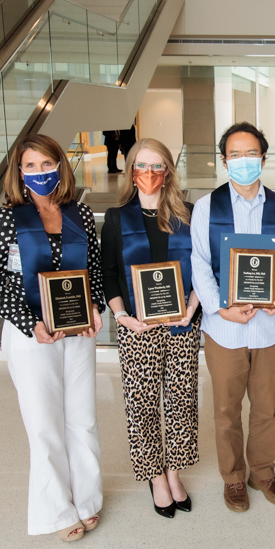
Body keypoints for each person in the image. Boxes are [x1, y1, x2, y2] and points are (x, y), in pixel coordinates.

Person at [0, 134, 105, 541]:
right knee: (44, 423)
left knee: (82, 419)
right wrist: (30, 322)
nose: (40, 173)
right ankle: (56, 511)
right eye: (30, 166)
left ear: (61, 167)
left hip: (77, 332)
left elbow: (94, 268)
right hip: (31, 336)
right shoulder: (3, 220)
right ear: (18, 172)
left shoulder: (79, 214)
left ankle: (86, 499)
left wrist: (96, 306)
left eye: (47, 164)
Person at [191, 123, 275, 512]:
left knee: (267, 407)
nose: (243, 161)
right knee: (226, 410)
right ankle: (234, 477)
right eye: (234, 155)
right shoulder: (206, 207)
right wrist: (221, 307)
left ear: (263, 158)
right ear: (224, 161)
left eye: (250, 154)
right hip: (224, 330)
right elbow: (199, 264)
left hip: (270, 328)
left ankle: (263, 471)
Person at [101, 138, 201, 519]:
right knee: (141, 405)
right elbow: (108, 273)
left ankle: (174, 473)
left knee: (181, 402)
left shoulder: (188, 214)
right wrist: (122, 317)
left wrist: (191, 308)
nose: (148, 173)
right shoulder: (115, 218)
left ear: (168, 171)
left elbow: (203, 269)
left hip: (181, 326)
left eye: (156, 166)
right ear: (131, 171)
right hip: (137, 329)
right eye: (140, 166)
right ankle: (155, 476)